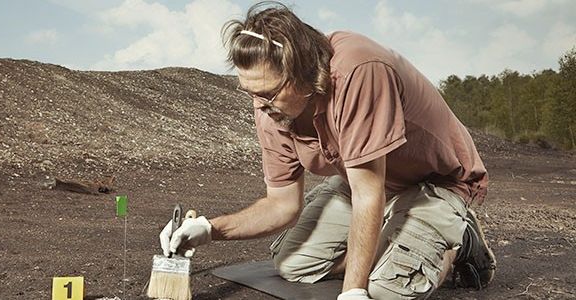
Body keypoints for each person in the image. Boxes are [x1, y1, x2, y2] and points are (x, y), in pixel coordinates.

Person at [159, 2, 497, 299]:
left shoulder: (360, 71)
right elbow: (281, 205)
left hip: (436, 183)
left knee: (385, 289)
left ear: (303, 72)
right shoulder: (271, 110)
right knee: (293, 266)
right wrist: (209, 229)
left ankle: (461, 237)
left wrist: (353, 291)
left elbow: (368, 193)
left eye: (268, 93)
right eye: (251, 93)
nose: (259, 106)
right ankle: (394, 235)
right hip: (362, 180)